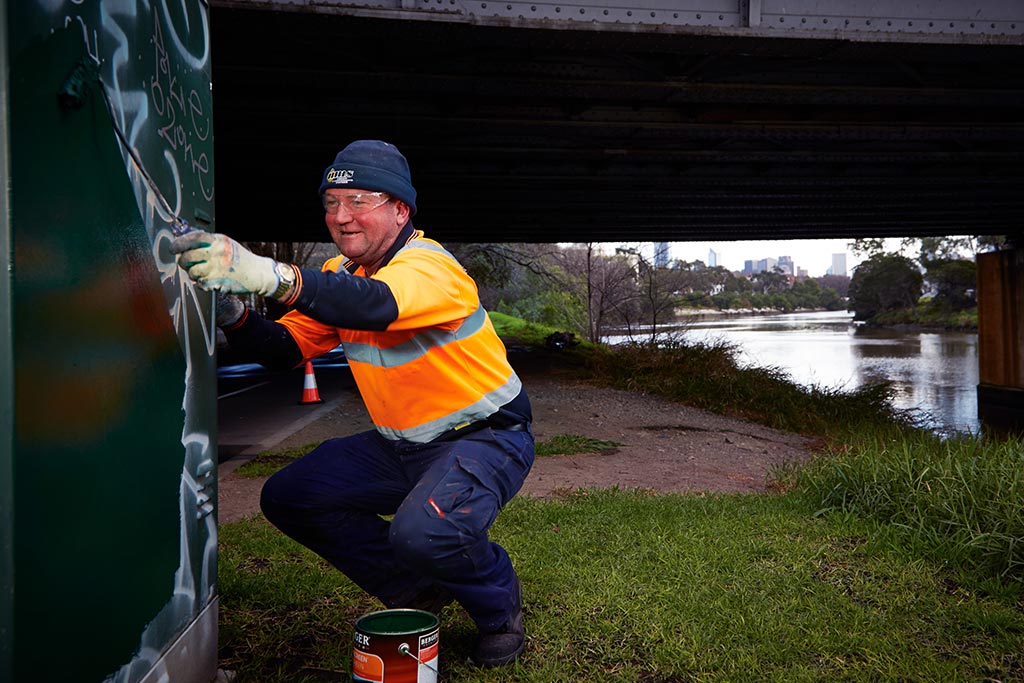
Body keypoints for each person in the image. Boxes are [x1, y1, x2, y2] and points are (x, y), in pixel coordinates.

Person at [171, 140, 534, 667]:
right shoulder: (344, 274)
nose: (342, 217)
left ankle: (499, 610)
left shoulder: (431, 267)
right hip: (401, 445)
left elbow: (379, 305)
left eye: (360, 200)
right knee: (292, 496)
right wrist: (232, 313)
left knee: (425, 531)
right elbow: (284, 350)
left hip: (486, 437)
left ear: (400, 210)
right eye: (331, 202)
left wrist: (269, 276)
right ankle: (416, 589)